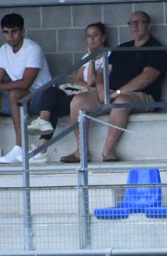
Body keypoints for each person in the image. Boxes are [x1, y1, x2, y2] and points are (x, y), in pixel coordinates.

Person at [63, 11, 167, 163]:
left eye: (139, 23)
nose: (135, 26)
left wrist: (118, 92)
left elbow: (147, 77)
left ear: (149, 26)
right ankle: (81, 151)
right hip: (110, 93)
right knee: (78, 101)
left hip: (141, 96)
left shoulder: (156, 49)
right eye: (132, 23)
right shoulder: (122, 48)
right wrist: (101, 89)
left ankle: (108, 151)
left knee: (121, 102)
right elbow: (103, 72)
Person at [0, 13, 52, 164]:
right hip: (18, 100)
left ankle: (20, 147)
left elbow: (26, 83)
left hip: (40, 99)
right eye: (6, 32)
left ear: (22, 31)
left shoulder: (33, 49)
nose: (10, 36)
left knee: (15, 94)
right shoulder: (3, 50)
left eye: (14, 31)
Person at [24, 22, 108, 164]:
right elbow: (78, 81)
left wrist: (92, 61)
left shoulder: (108, 56)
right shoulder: (85, 57)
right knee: (51, 93)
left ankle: (41, 147)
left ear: (103, 37)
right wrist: (88, 66)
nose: (92, 39)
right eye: (88, 36)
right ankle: (43, 126)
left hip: (93, 98)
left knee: (53, 106)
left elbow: (91, 83)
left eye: (96, 35)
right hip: (80, 93)